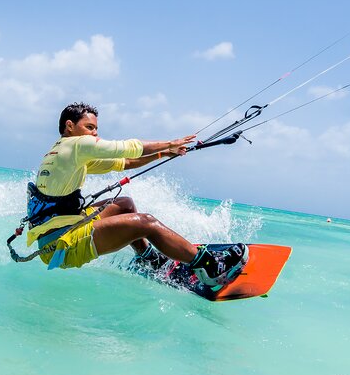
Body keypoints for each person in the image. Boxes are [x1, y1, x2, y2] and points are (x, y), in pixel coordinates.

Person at [24, 102, 248, 286]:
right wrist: (170, 142)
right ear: (70, 126)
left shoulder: (63, 152)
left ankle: (148, 260)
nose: (95, 133)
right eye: (90, 127)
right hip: (61, 244)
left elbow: (126, 162)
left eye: (95, 129)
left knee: (124, 204)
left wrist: (162, 153)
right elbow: (126, 148)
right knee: (146, 223)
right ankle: (208, 267)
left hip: (61, 230)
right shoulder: (76, 146)